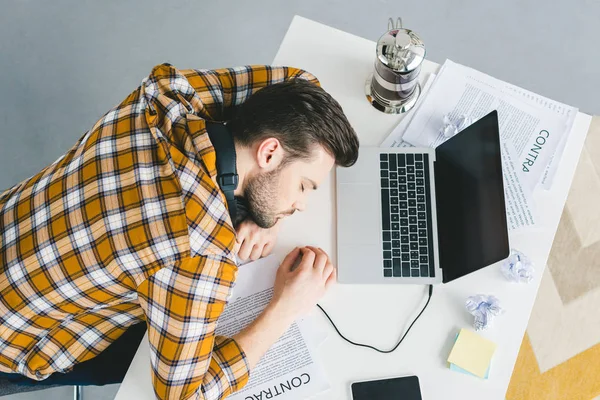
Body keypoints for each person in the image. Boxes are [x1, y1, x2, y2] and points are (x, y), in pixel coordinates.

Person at [0, 63, 359, 399]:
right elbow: (182, 393)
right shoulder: (197, 251)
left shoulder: (162, 97)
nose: (301, 205)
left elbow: (301, 81)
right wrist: (286, 307)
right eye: (303, 186)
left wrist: (268, 211)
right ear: (268, 153)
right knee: (149, 356)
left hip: (15, 227)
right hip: (17, 338)